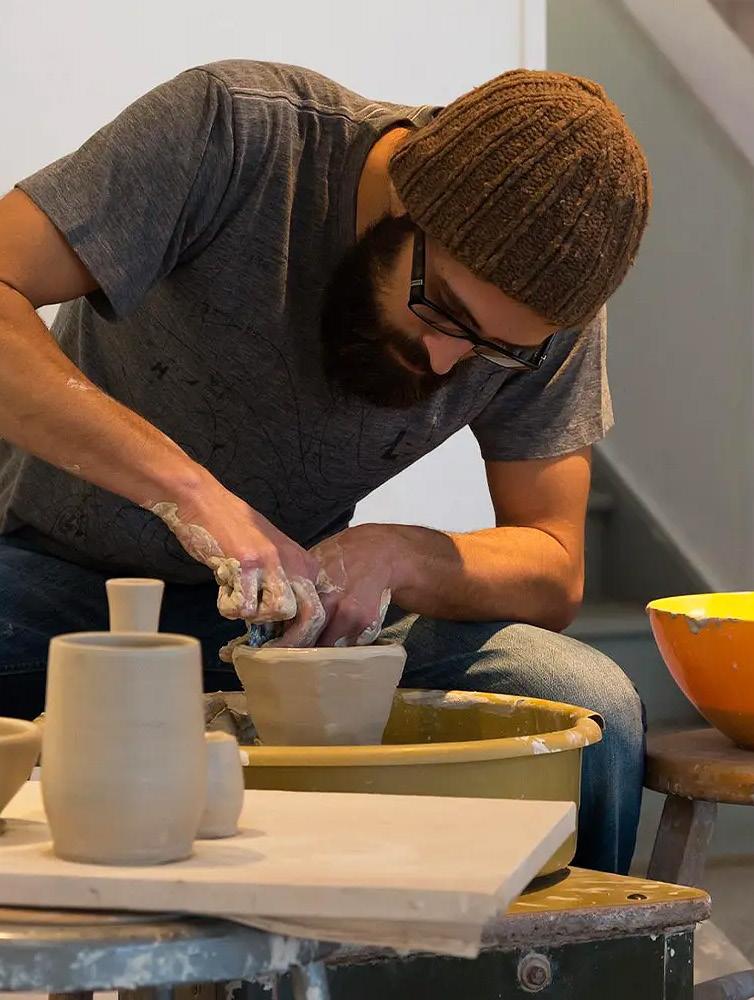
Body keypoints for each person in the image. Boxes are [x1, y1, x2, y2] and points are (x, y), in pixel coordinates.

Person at [0, 61, 651, 873]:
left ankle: (554, 947)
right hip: (46, 584)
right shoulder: (234, 134)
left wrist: (400, 554)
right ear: (403, 194)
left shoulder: (545, 311)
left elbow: (554, 562)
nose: (446, 361)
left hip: (287, 626)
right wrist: (190, 494)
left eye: (494, 350)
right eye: (443, 310)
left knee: (589, 706)